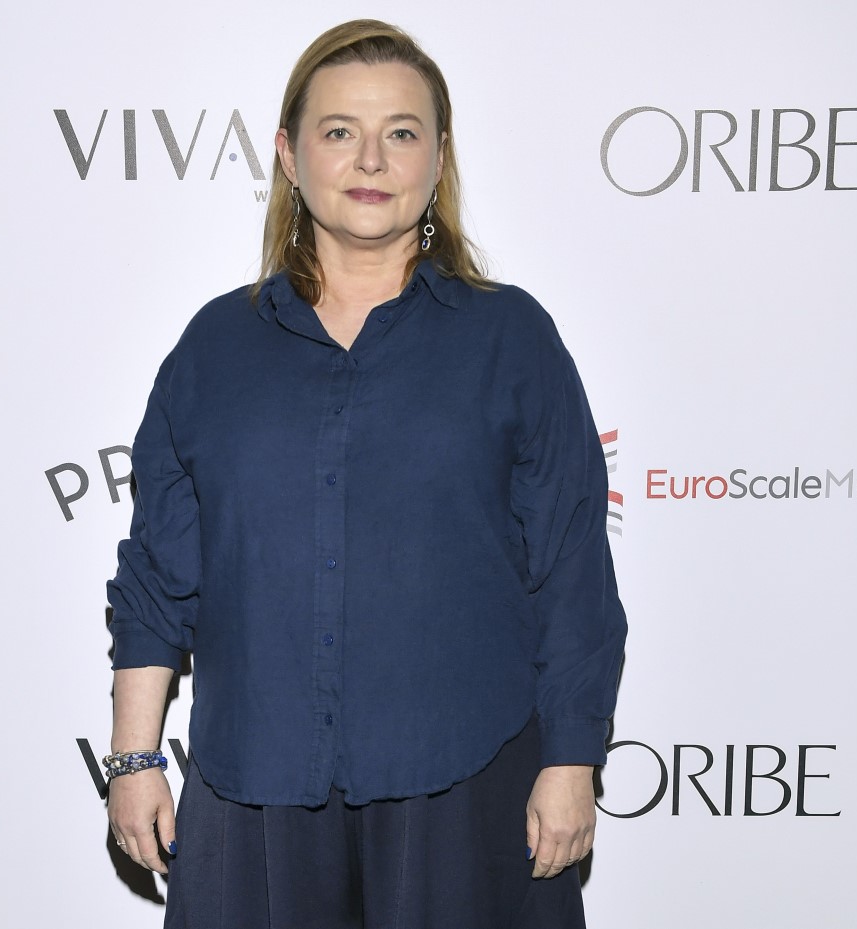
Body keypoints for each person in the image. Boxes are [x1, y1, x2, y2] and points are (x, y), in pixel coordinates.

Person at [105, 18, 626, 929]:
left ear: (439, 158)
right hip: (254, 785)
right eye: (340, 130)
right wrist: (135, 757)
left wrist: (572, 758)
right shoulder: (215, 348)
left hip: (464, 776)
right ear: (289, 154)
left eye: (402, 132)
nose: (372, 160)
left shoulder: (510, 339)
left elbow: (572, 566)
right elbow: (158, 576)